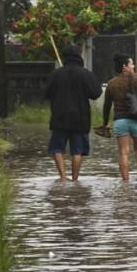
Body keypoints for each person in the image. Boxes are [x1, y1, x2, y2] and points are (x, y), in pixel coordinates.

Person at [44, 44, 101, 181]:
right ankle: (75, 179)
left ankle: (63, 178)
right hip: (80, 118)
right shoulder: (85, 74)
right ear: (79, 57)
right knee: (78, 150)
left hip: (59, 117)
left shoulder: (56, 74)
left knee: (57, 148)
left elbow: (46, 94)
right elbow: (96, 93)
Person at [100, 54, 137, 181]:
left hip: (120, 121)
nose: (133, 66)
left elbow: (107, 106)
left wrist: (105, 122)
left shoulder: (111, 83)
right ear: (124, 66)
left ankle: (125, 180)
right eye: (131, 63)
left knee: (123, 152)